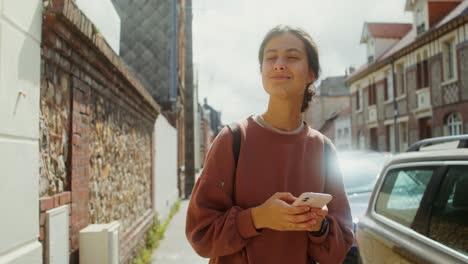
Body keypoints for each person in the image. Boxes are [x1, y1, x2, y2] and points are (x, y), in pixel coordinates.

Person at [186, 25, 354, 264]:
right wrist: (256, 218)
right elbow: (199, 234)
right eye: (270, 57)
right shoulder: (233, 139)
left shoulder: (324, 150)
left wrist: (320, 226)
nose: (279, 64)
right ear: (262, 70)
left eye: (292, 57)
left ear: (312, 74)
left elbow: (339, 249)